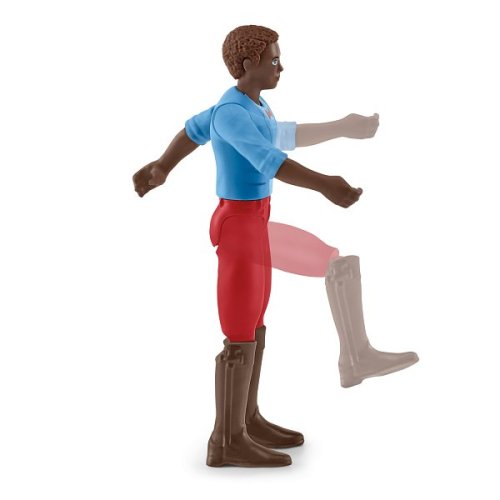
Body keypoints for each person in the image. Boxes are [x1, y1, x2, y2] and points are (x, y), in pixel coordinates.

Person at [133, 25, 418, 468]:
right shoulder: (232, 112)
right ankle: (226, 440)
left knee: (264, 313)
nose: (280, 66)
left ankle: (250, 418)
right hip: (239, 227)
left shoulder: (253, 106)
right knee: (241, 329)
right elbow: (270, 160)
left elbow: (243, 133)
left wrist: (343, 127)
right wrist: (325, 185)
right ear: (249, 64)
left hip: (256, 222)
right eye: (274, 59)